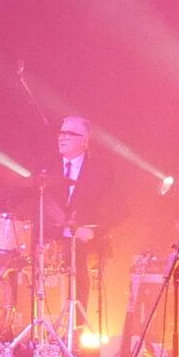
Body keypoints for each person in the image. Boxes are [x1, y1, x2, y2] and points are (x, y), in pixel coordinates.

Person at [44, 117, 122, 329]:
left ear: (85, 141)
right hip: (51, 236)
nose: (62, 137)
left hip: (84, 239)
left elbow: (119, 211)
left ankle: (76, 329)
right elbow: (21, 192)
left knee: (78, 265)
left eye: (70, 134)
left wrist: (93, 232)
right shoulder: (47, 167)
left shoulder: (101, 171)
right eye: (61, 133)